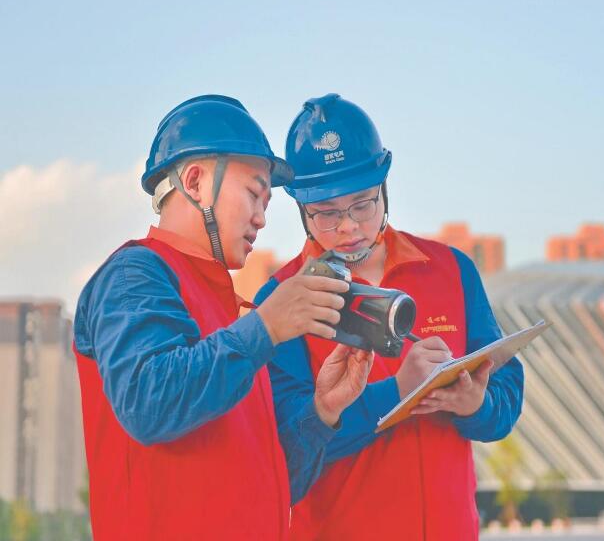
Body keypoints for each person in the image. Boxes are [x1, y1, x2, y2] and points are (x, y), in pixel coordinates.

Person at [73, 95, 372, 541]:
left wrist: (322, 411)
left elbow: (271, 488)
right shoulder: (135, 274)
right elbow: (147, 404)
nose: (262, 218)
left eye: (267, 202)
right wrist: (266, 327)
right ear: (195, 182)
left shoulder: (233, 316)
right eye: (254, 193)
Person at [254, 94, 525, 540]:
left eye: (362, 204)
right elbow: (287, 450)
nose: (348, 226)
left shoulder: (452, 269)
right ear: (301, 209)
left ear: (384, 188)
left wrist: (475, 405)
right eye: (327, 213)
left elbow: (507, 395)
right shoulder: (281, 299)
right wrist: (399, 391)